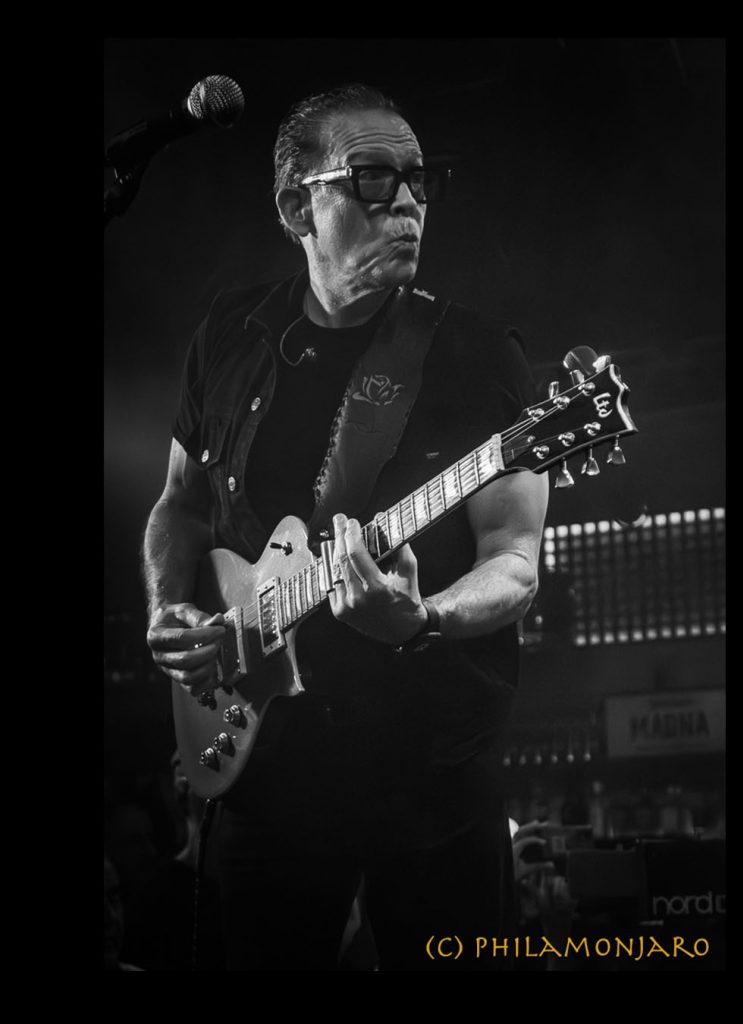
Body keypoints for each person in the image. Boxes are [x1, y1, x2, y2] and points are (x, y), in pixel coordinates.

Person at [143, 83, 549, 971]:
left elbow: (514, 559)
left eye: (417, 180)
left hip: (432, 778)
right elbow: (181, 501)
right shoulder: (231, 333)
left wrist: (425, 617)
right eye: (371, 178)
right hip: (268, 774)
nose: (406, 201)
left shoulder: (478, 354)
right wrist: (168, 604)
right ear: (298, 206)